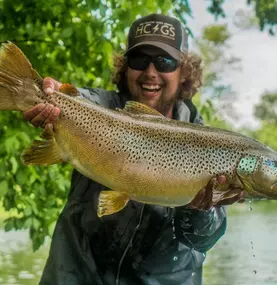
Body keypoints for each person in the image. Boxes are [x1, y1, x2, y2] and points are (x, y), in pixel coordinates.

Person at [23, 14, 243, 285]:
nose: (150, 71)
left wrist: (200, 209)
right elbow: (78, 99)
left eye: (164, 61)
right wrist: (53, 95)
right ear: (126, 67)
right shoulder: (102, 108)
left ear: (184, 71)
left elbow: (203, 240)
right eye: (140, 60)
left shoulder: (209, 144)